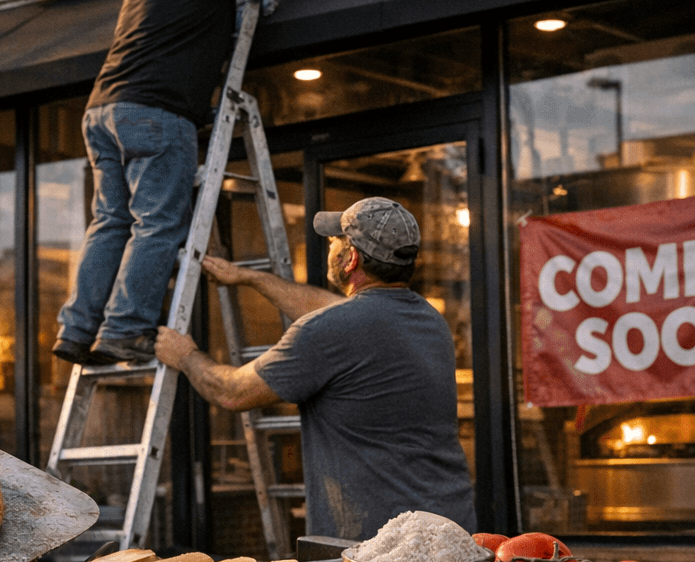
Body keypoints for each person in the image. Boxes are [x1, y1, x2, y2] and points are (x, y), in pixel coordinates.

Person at [54, 0, 374, 366]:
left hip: (103, 108)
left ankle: (76, 332)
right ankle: (124, 329)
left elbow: (180, 18)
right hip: (156, 112)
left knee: (110, 222)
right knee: (157, 223)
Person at [154, 197, 476, 539]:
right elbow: (335, 312)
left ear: (350, 258)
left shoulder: (331, 329)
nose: (329, 244)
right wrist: (249, 278)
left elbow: (231, 392)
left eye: (336, 239)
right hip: (450, 531)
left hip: (375, 551)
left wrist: (185, 355)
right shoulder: (429, 321)